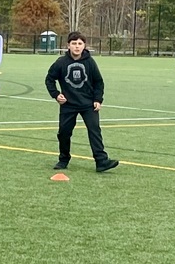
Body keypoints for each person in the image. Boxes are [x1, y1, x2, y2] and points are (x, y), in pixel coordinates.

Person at [44, 31, 119, 173]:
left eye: (80, 44)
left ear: (84, 45)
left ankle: (101, 161)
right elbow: (49, 79)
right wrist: (56, 94)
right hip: (68, 105)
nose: (77, 47)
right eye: (74, 44)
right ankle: (63, 159)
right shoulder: (61, 62)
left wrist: (98, 99)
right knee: (64, 133)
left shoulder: (90, 62)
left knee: (94, 130)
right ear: (68, 45)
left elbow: (98, 82)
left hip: (88, 104)